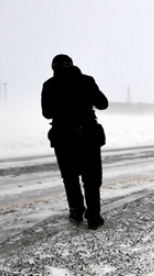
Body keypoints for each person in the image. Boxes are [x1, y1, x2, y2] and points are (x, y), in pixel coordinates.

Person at [41, 54, 109, 230]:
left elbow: (47, 113)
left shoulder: (49, 85)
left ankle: (76, 212)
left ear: (54, 67)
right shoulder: (86, 80)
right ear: (72, 65)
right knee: (91, 179)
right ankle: (94, 217)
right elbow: (103, 104)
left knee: (70, 178)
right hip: (88, 135)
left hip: (63, 137)